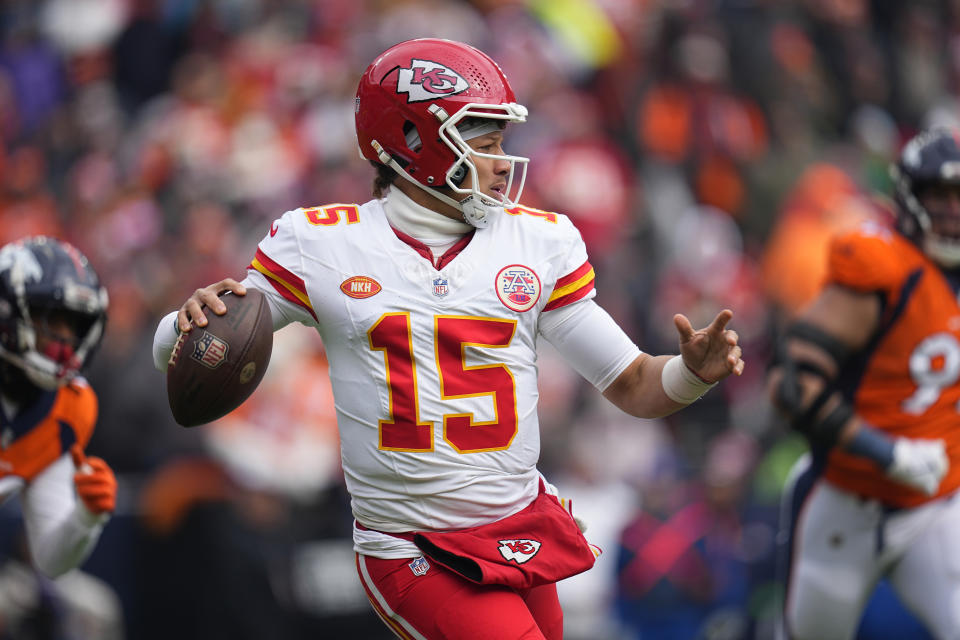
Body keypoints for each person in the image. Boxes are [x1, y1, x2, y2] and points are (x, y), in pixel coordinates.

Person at [152, 38, 744, 640]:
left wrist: (691, 372)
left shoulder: (536, 243)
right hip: (413, 542)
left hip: (519, 528)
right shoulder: (322, 244)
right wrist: (182, 325)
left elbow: (635, 384)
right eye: (483, 145)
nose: (500, 162)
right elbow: (205, 346)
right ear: (414, 144)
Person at [768, 127, 960, 640]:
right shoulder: (883, 266)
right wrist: (887, 453)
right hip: (846, 500)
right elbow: (790, 385)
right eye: (940, 195)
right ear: (907, 196)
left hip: (934, 507)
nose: (953, 210)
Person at [0, 236, 116, 579]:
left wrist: (86, 517)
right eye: (52, 320)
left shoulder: (66, 409)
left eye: (74, 325)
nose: (64, 340)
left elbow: (51, 560)